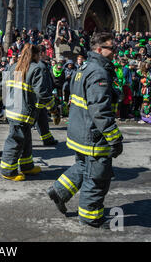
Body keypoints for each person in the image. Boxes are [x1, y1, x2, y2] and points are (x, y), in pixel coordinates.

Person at [47, 32, 123, 229]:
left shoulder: (84, 68)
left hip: (80, 132)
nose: (114, 52)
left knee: (82, 166)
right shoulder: (98, 72)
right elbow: (100, 111)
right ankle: (90, 216)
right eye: (111, 48)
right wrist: (114, 138)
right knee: (97, 176)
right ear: (99, 50)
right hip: (93, 136)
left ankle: (59, 190)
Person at [0, 44, 51, 181]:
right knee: (15, 141)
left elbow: (2, 86)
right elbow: (42, 92)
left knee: (26, 140)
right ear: (35, 55)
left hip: (13, 110)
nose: (40, 57)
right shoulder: (36, 69)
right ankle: (8, 170)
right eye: (39, 54)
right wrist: (52, 106)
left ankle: (27, 166)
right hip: (23, 112)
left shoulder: (13, 67)